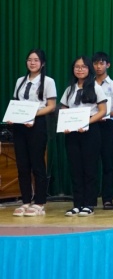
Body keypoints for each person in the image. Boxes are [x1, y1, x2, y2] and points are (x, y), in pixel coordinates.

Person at [8, 49, 56, 217]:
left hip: (38, 124)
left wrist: (32, 114)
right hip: (20, 126)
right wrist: (13, 116)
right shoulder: (20, 81)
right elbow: (16, 102)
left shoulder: (48, 81)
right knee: (22, 165)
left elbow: (51, 106)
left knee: (37, 164)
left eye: (36, 60)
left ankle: (40, 202)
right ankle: (25, 201)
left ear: (42, 63)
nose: (32, 63)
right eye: (29, 60)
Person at [60, 56, 107, 216]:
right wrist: (65, 124)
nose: (80, 69)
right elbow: (64, 109)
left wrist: (87, 122)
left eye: (83, 67)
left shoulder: (96, 87)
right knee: (75, 168)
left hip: (91, 131)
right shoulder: (69, 89)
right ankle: (77, 204)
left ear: (89, 69)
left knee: (90, 168)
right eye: (77, 67)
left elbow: (103, 110)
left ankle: (89, 204)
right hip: (72, 133)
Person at [92, 51, 113, 210]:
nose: (98, 66)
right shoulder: (87, 84)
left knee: (108, 163)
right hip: (91, 125)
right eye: (96, 63)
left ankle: (107, 199)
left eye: (102, 63)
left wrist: (105, 113)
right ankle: (90, 198)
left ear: (108, 65)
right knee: (91, 163)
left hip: (108, 125)